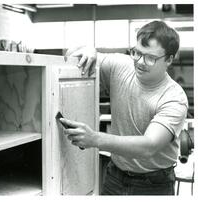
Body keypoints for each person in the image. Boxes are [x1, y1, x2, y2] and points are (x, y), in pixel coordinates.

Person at [60, 20, 188, 195]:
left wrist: (94, 139)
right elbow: (78, 56)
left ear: (169, 60)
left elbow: (148, 146)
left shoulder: (174, 97)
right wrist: (90, 49)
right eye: (137, 53)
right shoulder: (120, 66)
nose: (140, 62)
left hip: (153, 184)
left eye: (150, 58)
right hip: (115, 175)